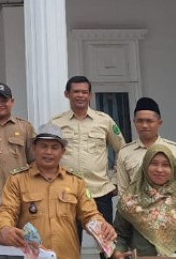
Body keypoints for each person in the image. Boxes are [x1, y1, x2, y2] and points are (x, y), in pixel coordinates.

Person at [0, 123, 117, 259]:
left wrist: (103, 227)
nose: (48, 152)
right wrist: (6, 228)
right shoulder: (17, 180)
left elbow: (89, 214)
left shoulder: (76, 182)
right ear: (34, 148)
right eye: (43, 146)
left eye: (54, 147)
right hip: (31, 256)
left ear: (62, 151)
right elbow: (7, 210)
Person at [51, 76, 125, 234]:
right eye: (76, 91)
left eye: (84, 92)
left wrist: (116, 181)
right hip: (65, 193)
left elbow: (122, 150)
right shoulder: (56, 123)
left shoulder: (104, 121)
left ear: (90, 95)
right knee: (69, 243)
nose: (80, 95)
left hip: (99, 191)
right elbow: (46, 154)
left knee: (106, 242)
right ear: (67, 94)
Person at [112, 145, 176, 259]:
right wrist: (118, 252)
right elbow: (120, 235)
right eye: (154, 164)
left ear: (173, 169)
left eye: (166, 165)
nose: (159, 169)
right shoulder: (130, 199)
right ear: (145, 165)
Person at [116, 97, 176, 194]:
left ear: (159, 123)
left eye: (149, 121)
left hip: (170, 208)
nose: (144, 125)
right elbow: (123, 192)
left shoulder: (174, 150)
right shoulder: (125, 152)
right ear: (134, 122)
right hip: (137, 208)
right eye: (140, 121)